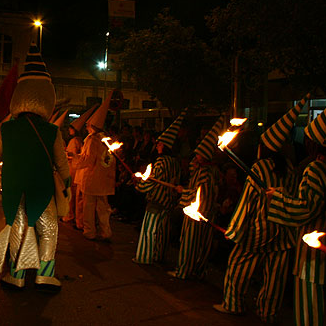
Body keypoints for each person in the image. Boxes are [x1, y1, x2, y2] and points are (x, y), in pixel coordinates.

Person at [0, 43, 70, 293]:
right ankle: (45, 275)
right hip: (41, 188)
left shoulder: (7, 128)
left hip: (14, 188)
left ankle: (17, 275)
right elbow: (62, 163)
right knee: (48, 229)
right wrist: (67, 182)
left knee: (18, 229)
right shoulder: (51, 130)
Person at [214, 95, 308, 323]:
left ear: (264, 147)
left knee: (238, 265)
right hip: (284, 232)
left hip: (258, 231)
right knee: (275, 276)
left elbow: (248, 202)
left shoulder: (261, 167)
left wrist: (235, 229)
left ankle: (233, 303)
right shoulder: (290, 168)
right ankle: (268, 311)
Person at [267, 95, 326, 326]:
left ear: (314, 143)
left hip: (315, 264)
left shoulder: (316, 168)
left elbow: (306, 208)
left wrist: (277, 199)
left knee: (311, 318)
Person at [170, 116, 225, 280]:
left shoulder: (206, 173)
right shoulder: (209, 171)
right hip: (205, 214)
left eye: (199, 154)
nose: (196, 156)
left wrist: (182, 191)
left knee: (191, 244)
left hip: (198, 215)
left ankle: (184, 271)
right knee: (201, 246)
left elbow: (197, 195)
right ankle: (196, 270)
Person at [132, 110, 186, 265]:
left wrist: (139, 185)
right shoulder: (175, 162)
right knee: (162, 232)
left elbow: (151, 182)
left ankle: (144, 257)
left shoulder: (161, 162)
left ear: (166, 146)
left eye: (160, 144)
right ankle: (158, 256)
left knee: (149, 230)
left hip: (156, 201)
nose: (157, 146)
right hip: (169, 202)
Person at [78, 96, 116, 241]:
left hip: (92, 179)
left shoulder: (91, 139)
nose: (86, 127)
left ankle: (90, 231)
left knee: (89, 206)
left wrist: (75, 161)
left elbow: (87, 160)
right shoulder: (108, 139)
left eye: (88, 125)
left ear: (92, 125)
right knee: (103, 208)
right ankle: (106, 232)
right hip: (105, 179)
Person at [62, 104, 96, 227]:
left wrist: (68, 154)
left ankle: (72, 216)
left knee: (74, 195)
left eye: (70, 128)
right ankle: (76, 218)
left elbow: (77, 156)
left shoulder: (76, 141)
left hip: (74, 169)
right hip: (77, 169)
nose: (68, 130)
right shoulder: (81, 140)